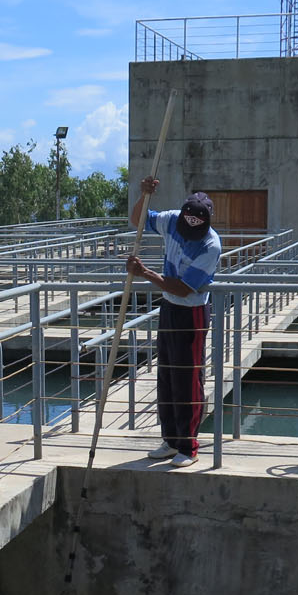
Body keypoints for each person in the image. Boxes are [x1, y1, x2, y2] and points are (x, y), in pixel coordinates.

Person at [126, 175, 222, 467]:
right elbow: (138, 220)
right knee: (166, 376)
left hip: (191, 312)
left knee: (188, 379)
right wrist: (144, 195)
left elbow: (183, 287)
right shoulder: (171, 220)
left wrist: (145, 274)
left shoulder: (210, 245)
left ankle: (188, 445)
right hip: (168, 308)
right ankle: (170, 439)